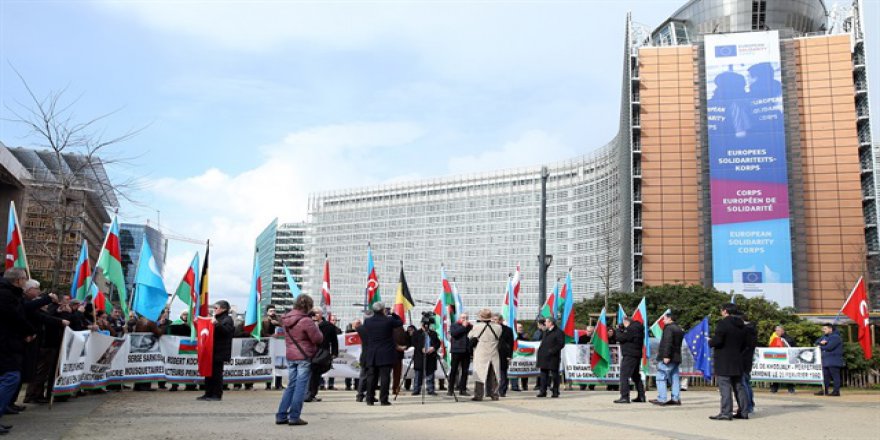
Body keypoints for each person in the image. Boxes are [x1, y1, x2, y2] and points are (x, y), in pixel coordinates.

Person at [0, 268, 37, 435]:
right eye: (24, 279)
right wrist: (29, 331)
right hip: (5, 344)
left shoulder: (11, 294)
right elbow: (15, 317)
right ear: (18, 280)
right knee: (11, 378)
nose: (25, 282)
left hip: (9, 342)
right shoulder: (6, 295)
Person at [276, 294, 323, 425]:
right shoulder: (306, 321)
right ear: (308, 306)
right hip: (304, 356)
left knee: (291, 385)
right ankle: (294, 416)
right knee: (300, 387)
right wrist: (316, 326)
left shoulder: (285, 319)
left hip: (291, 355)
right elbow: (318, 339)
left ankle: (281, 415)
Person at [708, 303, 747, 421]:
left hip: (724, 359)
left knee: (725, 386)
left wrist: (710, 341)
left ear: (725, 311)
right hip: (737, 359)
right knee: (739, 386)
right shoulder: (742, 325)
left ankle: (726, 412)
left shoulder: (723, 323)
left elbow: (718, 340)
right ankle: (743, 411)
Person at [361, 302, 403, 406]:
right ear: (383, 310)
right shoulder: (388, 320)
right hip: (386, 353)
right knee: (385, 377)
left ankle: (369, 399)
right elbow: (400, 322)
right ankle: (383, 399)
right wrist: (393, 313)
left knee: (371, 377)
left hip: (372, 353)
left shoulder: (367, 321)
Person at [198, 300, 234, 401]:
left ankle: (217, 394)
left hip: (220, 351)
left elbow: (227, 331)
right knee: (208, 373)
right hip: (211, 350)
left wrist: (216, 324)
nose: (214, 310)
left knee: (217, 374)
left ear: (224, 309)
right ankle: (208, 393)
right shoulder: (215, 318)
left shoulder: (228, 319)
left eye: (216, 308)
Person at [468, 309, 502, 401]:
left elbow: (470, 336)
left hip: (481, 353)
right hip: (493, 352)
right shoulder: (498, 327)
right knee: (494, 374)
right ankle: (494, 394)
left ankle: (478, 395)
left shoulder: (477, 327)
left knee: (479, 374)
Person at [650, 311, 683, 406]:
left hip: (668, 357)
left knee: (661, 376)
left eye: (664, 318)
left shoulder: (669, 328)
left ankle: (662, 398)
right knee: (675, 378)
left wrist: (666, 356)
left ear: (669, 318)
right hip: (676, 357)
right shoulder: (679, 329)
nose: (663, 320)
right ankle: (675, 398)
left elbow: (668, 342)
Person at [305, 308, 338, 402]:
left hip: (322, 353)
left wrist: (334, 353)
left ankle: (311, 394)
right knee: (308, 373)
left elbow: (334, 341)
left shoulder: (329, 326)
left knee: (315, 374)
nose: (314, 315)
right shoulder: (307, 324)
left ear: (321, 314)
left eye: (316, 313)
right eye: (313, 313)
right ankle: (307, 394)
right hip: (308, 352)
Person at [614, 317, 645, 404]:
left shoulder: (631, 329)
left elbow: (620, 338)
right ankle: (641, 396)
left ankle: (625, 397)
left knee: (624, 375)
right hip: (636, 354)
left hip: (629, 354)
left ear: (626, 322)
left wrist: (618, 330)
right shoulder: (639, 328)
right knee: (635, 375)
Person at [411, 317, 441, 396]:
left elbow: (438, 343)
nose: (426, 326)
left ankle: (430, 389)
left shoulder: (433, 333)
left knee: (430, 374)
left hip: (431, 356)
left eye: (427, 325)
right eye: (424, 324)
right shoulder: (416, 333)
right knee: (418, 374)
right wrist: (421, 348)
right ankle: (416, 389)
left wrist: (433, 348)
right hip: (420, 356)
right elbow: (414, 342)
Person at [536, 317, 565, 398]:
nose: (545, 323)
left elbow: (561, 344)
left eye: (546, 322)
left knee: (555, 375)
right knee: (543, 375)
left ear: (551, 323)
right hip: (543, 357)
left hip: (553, 357)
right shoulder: (546, 331)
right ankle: (543, 391)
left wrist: (552, 351)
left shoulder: (559, 332)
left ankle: (555, 391)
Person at [815, 323, 843, 397]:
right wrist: (821, 343)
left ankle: (836, 391)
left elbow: (829, 347)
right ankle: (825, 390)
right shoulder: (824, 336)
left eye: (825, 329)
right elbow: (816, 342)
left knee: (835, 376)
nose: (823, 330)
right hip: (826, 360)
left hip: (834, 359)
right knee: (825, 376)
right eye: (823, 329)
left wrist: (820, 346)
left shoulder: (836, 337)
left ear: (830, 329)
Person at [737, 313, 757, 416]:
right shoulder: (752, 329)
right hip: (748, 360)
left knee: (743, 384)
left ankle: (747, 406)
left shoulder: (745, 330)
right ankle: (750, 405)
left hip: (743, 359)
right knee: (747, 383)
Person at [448, 313, 472, 396]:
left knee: (465, 371)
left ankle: (463, 389)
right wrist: (463, 327)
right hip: (456, 351)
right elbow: (454, 334)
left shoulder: (470, 326)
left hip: (466, 351)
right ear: (459, 318)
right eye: (463, 318)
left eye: (466, 318)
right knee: (454, 370)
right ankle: (450, 389)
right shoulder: (454, 325)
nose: (464, 319)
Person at [769, 326, 796, 394]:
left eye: (778, 331)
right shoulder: (775, 338)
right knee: (776, 373)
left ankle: (791, 388)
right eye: (776, 331)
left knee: (788, 373)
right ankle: (774, 388)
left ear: (782, 331)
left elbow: (792, 347)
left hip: (787, 359)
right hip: (777, 358)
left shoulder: (788, 338)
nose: (776, 332)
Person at [495, 314, 514, 397]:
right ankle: (492, 390)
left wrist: (509, 355)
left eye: (496, 319)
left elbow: (511, 343)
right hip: (493, 353)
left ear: (500, 320)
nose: (494, 321)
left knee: (503, 372)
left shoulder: (508, 330)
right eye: (493, 319)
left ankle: (502, 391)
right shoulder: (490, 328)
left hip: (503, 353)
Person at [578, 325, 595, 391]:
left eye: (591, 331)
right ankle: (582, 385)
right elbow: (579, 347)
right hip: (584, 357)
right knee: (583, 371)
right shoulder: (582, 338)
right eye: (588, 331)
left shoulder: (595, 338)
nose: (589, 332)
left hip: (592, 358)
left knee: (593, 372)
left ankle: (592, 385)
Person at [514, 322, 529, 392]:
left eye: (521, 327)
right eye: (519, 327)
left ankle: (524, 385)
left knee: (525, 371)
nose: (521, 329)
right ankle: (515, 386)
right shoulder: (514, 336)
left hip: (524, 356)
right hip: (516, 356)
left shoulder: (525, 336)